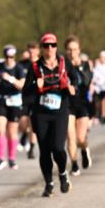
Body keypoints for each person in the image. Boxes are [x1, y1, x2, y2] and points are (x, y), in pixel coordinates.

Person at [22, 33, 75, 196]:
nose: (49, 48)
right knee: (44, 150)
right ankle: (48, 183)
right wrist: (34, 86)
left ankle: (62, 174)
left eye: (53, 45)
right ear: (41, 49)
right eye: (46, 46)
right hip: (41, 113)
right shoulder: (35, 67)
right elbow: (25, 92)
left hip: (60, 110)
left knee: (58, 147)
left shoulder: (65, 64)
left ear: (56, 47)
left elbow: (77, 80)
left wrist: (72, 88)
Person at [0, 45, 26, 170]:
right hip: (1, 99)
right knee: (0, 129)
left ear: (14, 56)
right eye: (7, 56)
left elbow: (21, 85)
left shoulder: (19, 68)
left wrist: (10, 78)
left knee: (12, 132)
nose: (9, 59)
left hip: (15, 101)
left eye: (11, 56)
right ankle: (1, 158)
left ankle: (12, 159)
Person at [65, 36, 93, 175]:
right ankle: (74, 164)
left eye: (74, 49)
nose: (72, 52)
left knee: (80, 138)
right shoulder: (61, 65)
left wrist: (79, 67)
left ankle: (84, 149)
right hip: (67, 104)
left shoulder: (86, 64)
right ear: (66, 51)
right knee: (71, 137)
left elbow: (87, 81)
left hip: (82, 104)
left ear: (79, 50)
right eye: (69, 49)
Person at [17, 42, 40, 159]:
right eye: (29, 51)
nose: (31, 53)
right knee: (22, 123)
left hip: (37, 98)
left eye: (33, 51)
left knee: (33, 125)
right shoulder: (21, 65)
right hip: (24, 98)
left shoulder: (41, 64)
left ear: (38, 51)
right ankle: (24, 135)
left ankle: (31, 149)